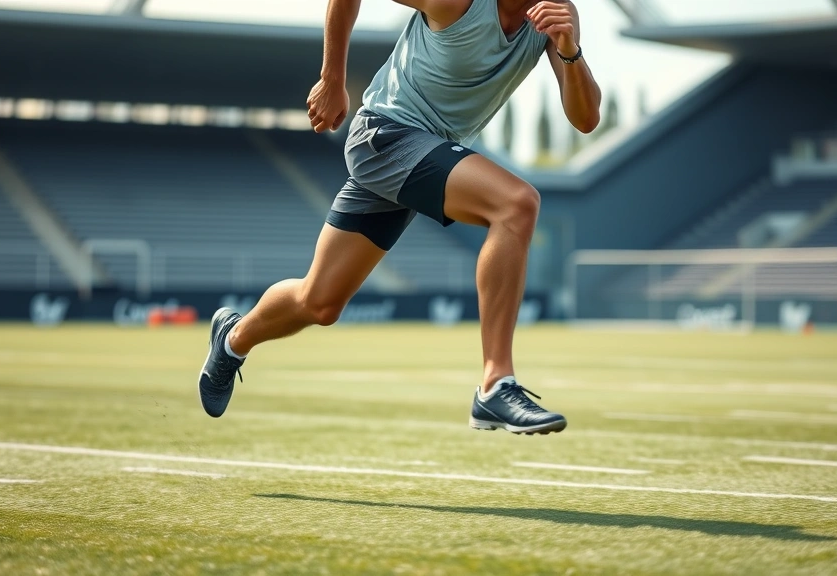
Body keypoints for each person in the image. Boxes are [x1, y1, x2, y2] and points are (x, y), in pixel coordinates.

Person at [199, 0, 601, 434]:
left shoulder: (557, 16)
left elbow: (585, 118)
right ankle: (495, 384)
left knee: (320, 302)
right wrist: (332, 78)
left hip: (429, 153)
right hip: (386, 135)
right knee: (516, 204)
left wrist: (568, 48)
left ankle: (232, 338)